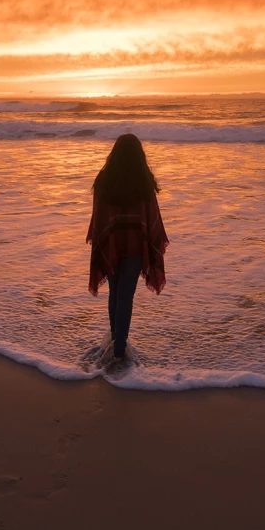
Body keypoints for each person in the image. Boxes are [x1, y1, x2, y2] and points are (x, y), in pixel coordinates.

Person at [85, 133, 168, 363]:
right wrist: (153, 240)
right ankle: (119, 349)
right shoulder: (143, 179)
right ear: (139, 154)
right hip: (134, 245)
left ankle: (115, 341)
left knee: (115, 293)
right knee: (125, 296)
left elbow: (99, 215)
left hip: (111, 243)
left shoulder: (104, 179)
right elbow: (152, 216)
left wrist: (102, 237)